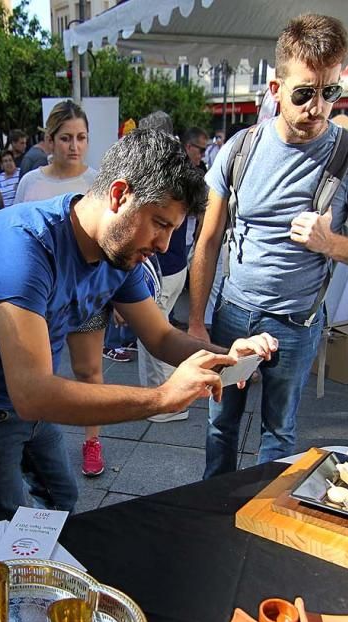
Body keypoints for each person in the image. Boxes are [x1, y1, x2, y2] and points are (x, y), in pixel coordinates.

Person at [0, 128, 276, 522]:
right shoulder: (23, 246)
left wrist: (226, 356)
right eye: (160, 223)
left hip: (30, 386)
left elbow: (159, 336)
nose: (163, 244)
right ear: (120, 195)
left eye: (173, 229)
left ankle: (46, 564)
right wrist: (162, 398)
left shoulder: (118, 250)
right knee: (2, 517)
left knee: (60, 496)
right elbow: (33, 394)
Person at [188, 14, 348, 477]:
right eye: (304, 93)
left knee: (278, 433)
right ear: (275, 88)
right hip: (234, 312)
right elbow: (207, 240)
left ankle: (261, 517)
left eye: (330, 93)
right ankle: (209, 508)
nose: (317, 107)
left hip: (297, 322)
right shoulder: (240, 149)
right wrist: (197, 322)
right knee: (220, 423)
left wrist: (333, 242)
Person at [13, 101, 113, 475]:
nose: (74, 146)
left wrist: (114, 293)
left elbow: (107, 241)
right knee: (42, 374)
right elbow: (16, 235)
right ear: (49, 141)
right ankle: (40, 442)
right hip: (39, 299)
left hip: (88, 294)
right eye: (66, 138)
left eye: (81, 138)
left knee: (89, 372)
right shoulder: (30, 182)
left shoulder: (97, 182)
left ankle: (93, 442)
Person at [139, 121, 209, 423]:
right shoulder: (175, 174)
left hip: (169, 269)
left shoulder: (184, 177)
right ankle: (161, 399)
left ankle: (167, 401)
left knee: (155, 333)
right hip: (165, 267)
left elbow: (162, 338)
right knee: (152, 333)